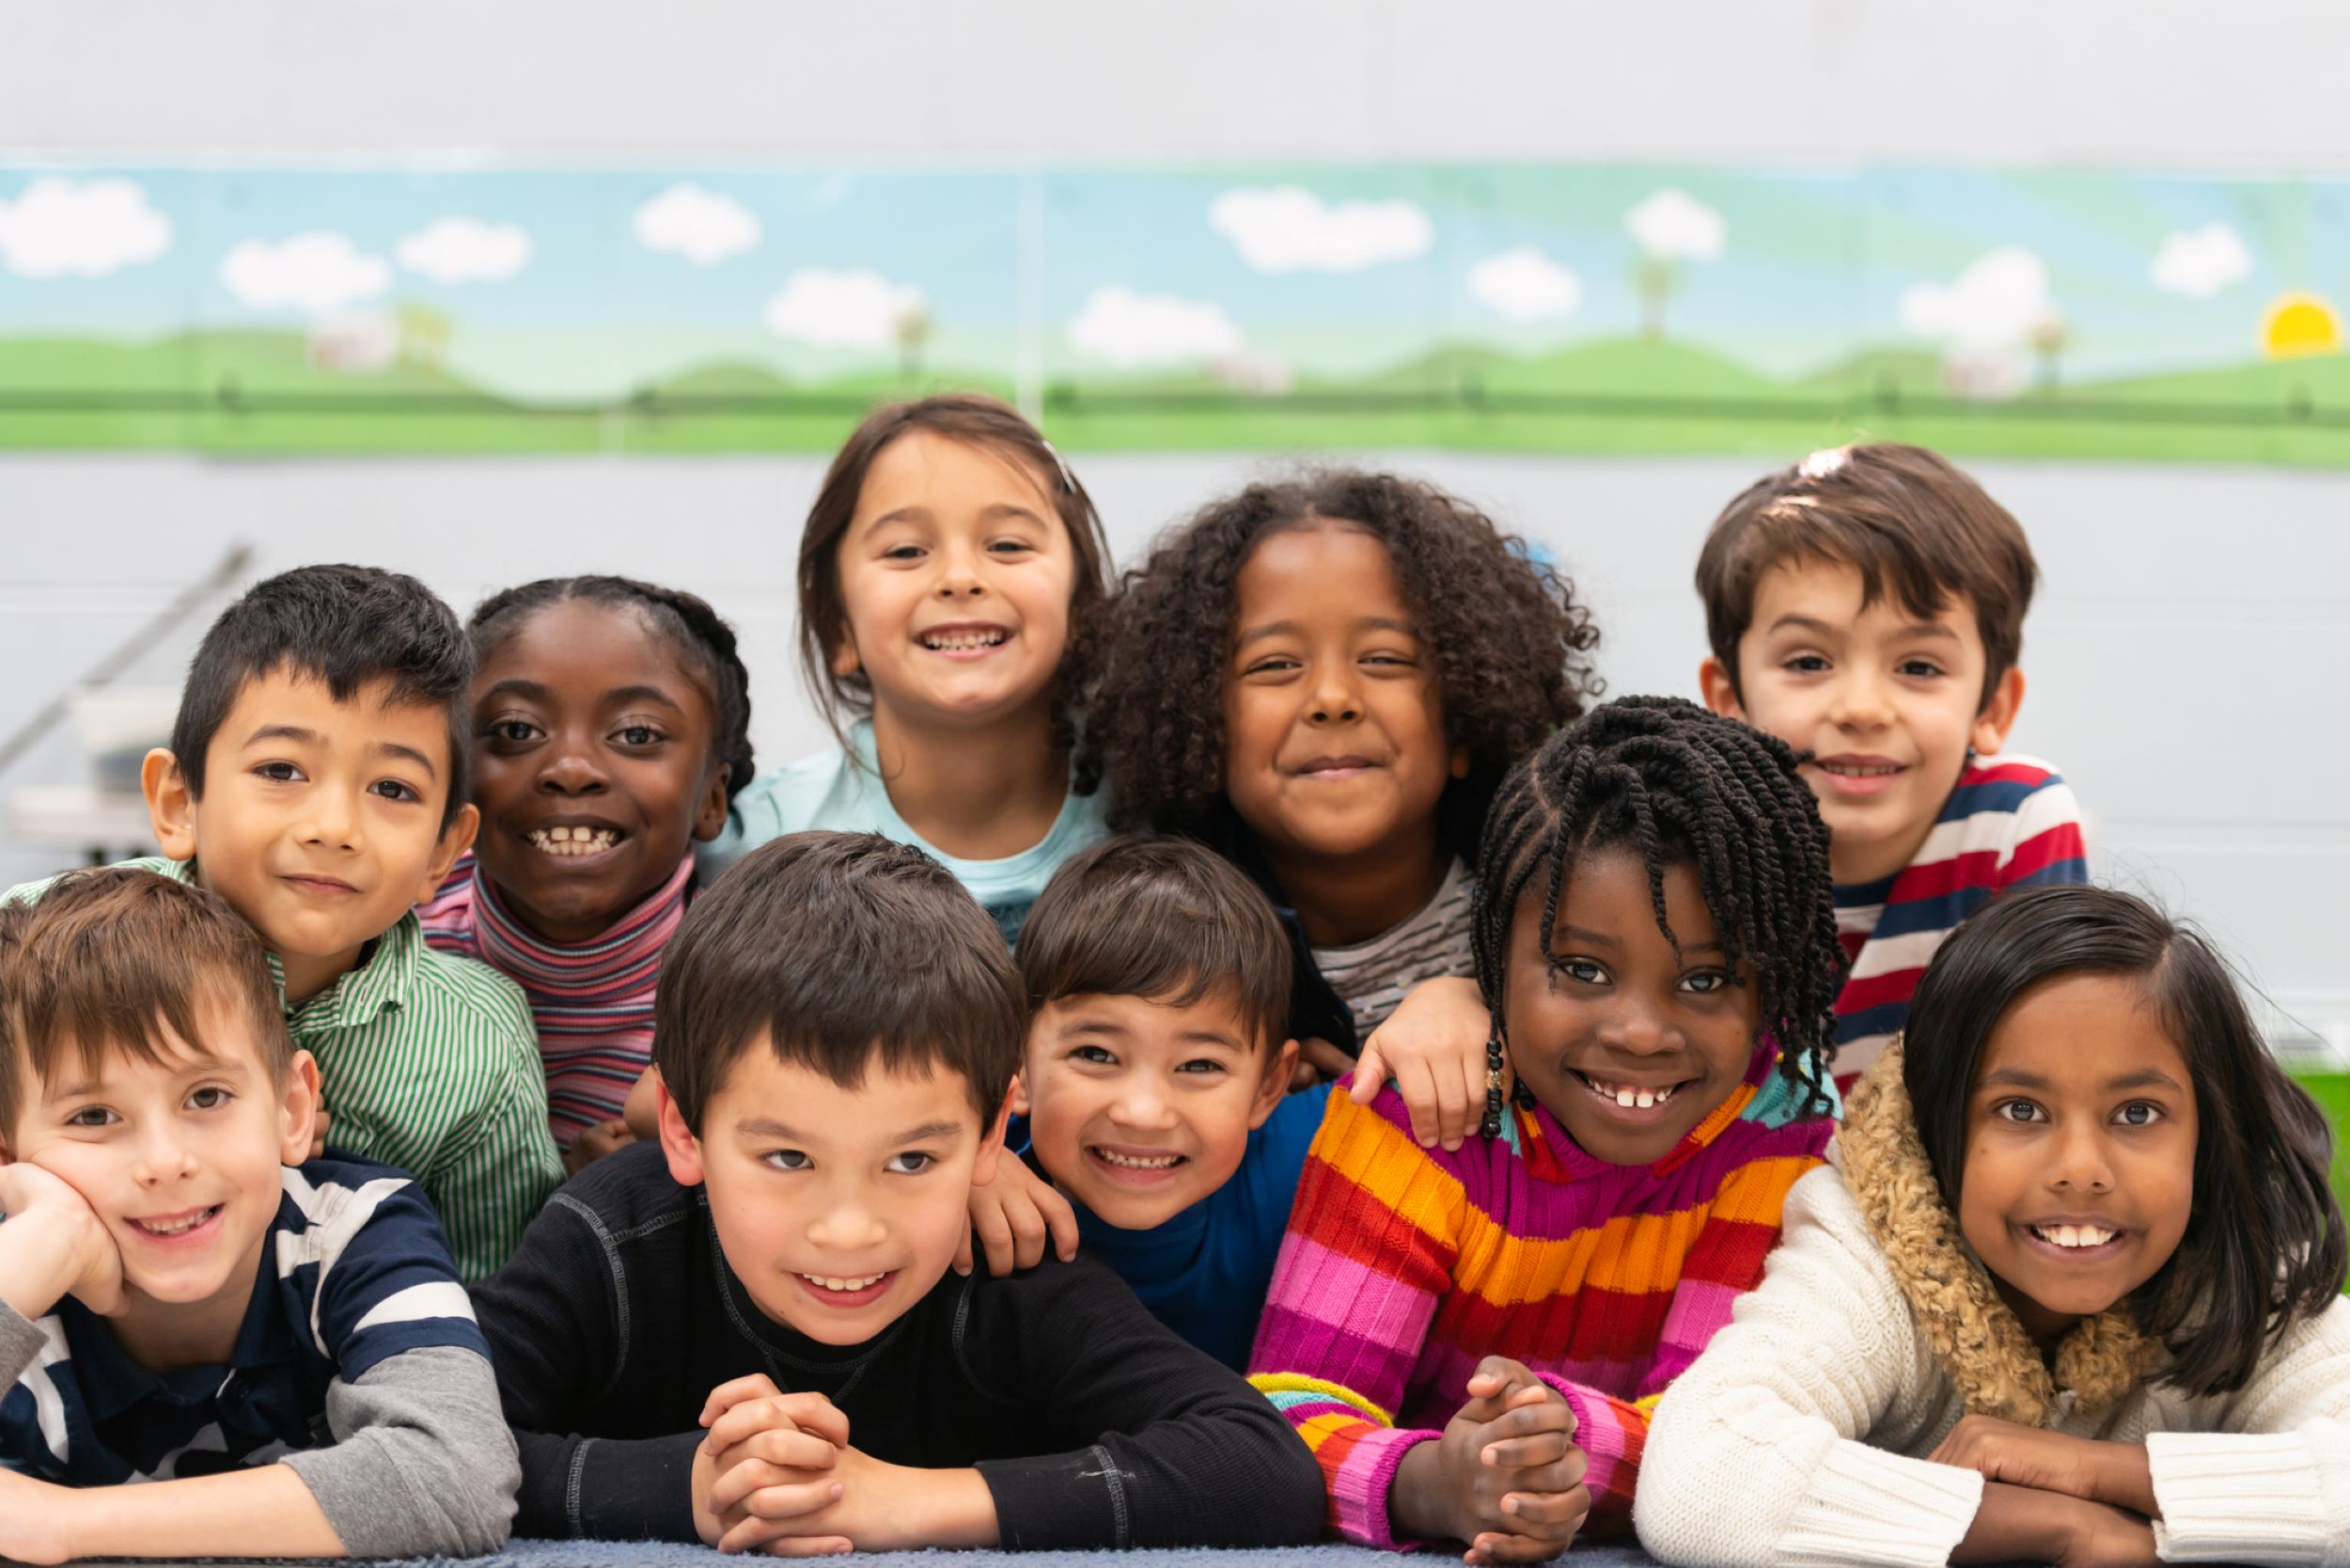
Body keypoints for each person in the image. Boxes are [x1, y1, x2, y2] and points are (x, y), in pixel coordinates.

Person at [470, 831, 1326, 1553]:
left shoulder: (1000, 1265)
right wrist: (690, 1486)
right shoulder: (614, 1239)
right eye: (788, 1159)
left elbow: (1260, 1466)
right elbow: (432, 1436)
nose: (850, 1231)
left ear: (992, 1136)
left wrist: (903, 1502)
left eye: (912, 1161)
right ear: (686, 1132)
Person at [1248, 698, 1842, 1561]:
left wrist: (1559, 1446)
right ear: (1494, 956)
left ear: (1770, 985)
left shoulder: (1776, 1123)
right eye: (1582, 969)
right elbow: (1287, 1414)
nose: (1641, 1030)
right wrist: (1440, 1485)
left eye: (1708, 981)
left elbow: (1719, 1436)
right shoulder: (1418, 1112)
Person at [1638, 885, 2350, 1568]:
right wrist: (2057, 1525)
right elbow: (1701, 1474)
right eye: (2020, 1110)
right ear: (1939, 1124)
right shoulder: (1870, 1258)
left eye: (2136, 1113)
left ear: (2208, 1130)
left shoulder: (2233, 1264)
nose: (2080, 1170)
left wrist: (2095, 1473)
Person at [6, 564, 562, 1279]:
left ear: (443, 852)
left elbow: (486, 1288)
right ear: (179, 802)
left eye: (392, 788)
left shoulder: (477, 1044)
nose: (333, 827)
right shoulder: (35, 945)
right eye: (281, 771)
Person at [0, 869, 515, 1564]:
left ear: (291, 1110)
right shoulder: (19, 1270)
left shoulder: (353, 1230)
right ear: (10, 1160)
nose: (164, 1161)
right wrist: (41, 1246)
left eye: (206, 1097)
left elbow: (457, 1478)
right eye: (93, 1116)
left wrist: (66, 1524)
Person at [1082, 469, 1600, 1121]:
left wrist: (1478, 1000)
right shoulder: (1141, 934)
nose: (1332, 699)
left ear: (1468, 714)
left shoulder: (1561, 899)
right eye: (1276, 666)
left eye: (1384, 659)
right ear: (1197, 726)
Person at [1694, 443, 2088, 1082]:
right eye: (1808, 662)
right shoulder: (1692, 846)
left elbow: (2039, 1079)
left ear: (1993, 706)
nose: (1862, 709)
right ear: (1729, 699)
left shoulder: (2013, 823)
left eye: (1918, 667)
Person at [698, 395, 1113, 942]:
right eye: (905, 552)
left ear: (1080, 609)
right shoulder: (759, 850)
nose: (960, 577)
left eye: (1008, 544)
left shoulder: (1162, 815)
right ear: (839, 627)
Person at [419, 575, 753, 1170]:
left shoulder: (756, 1000)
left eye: (636, 734)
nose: (571, 769)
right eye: (516, 731)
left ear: (711, 798)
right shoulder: (381, 963)